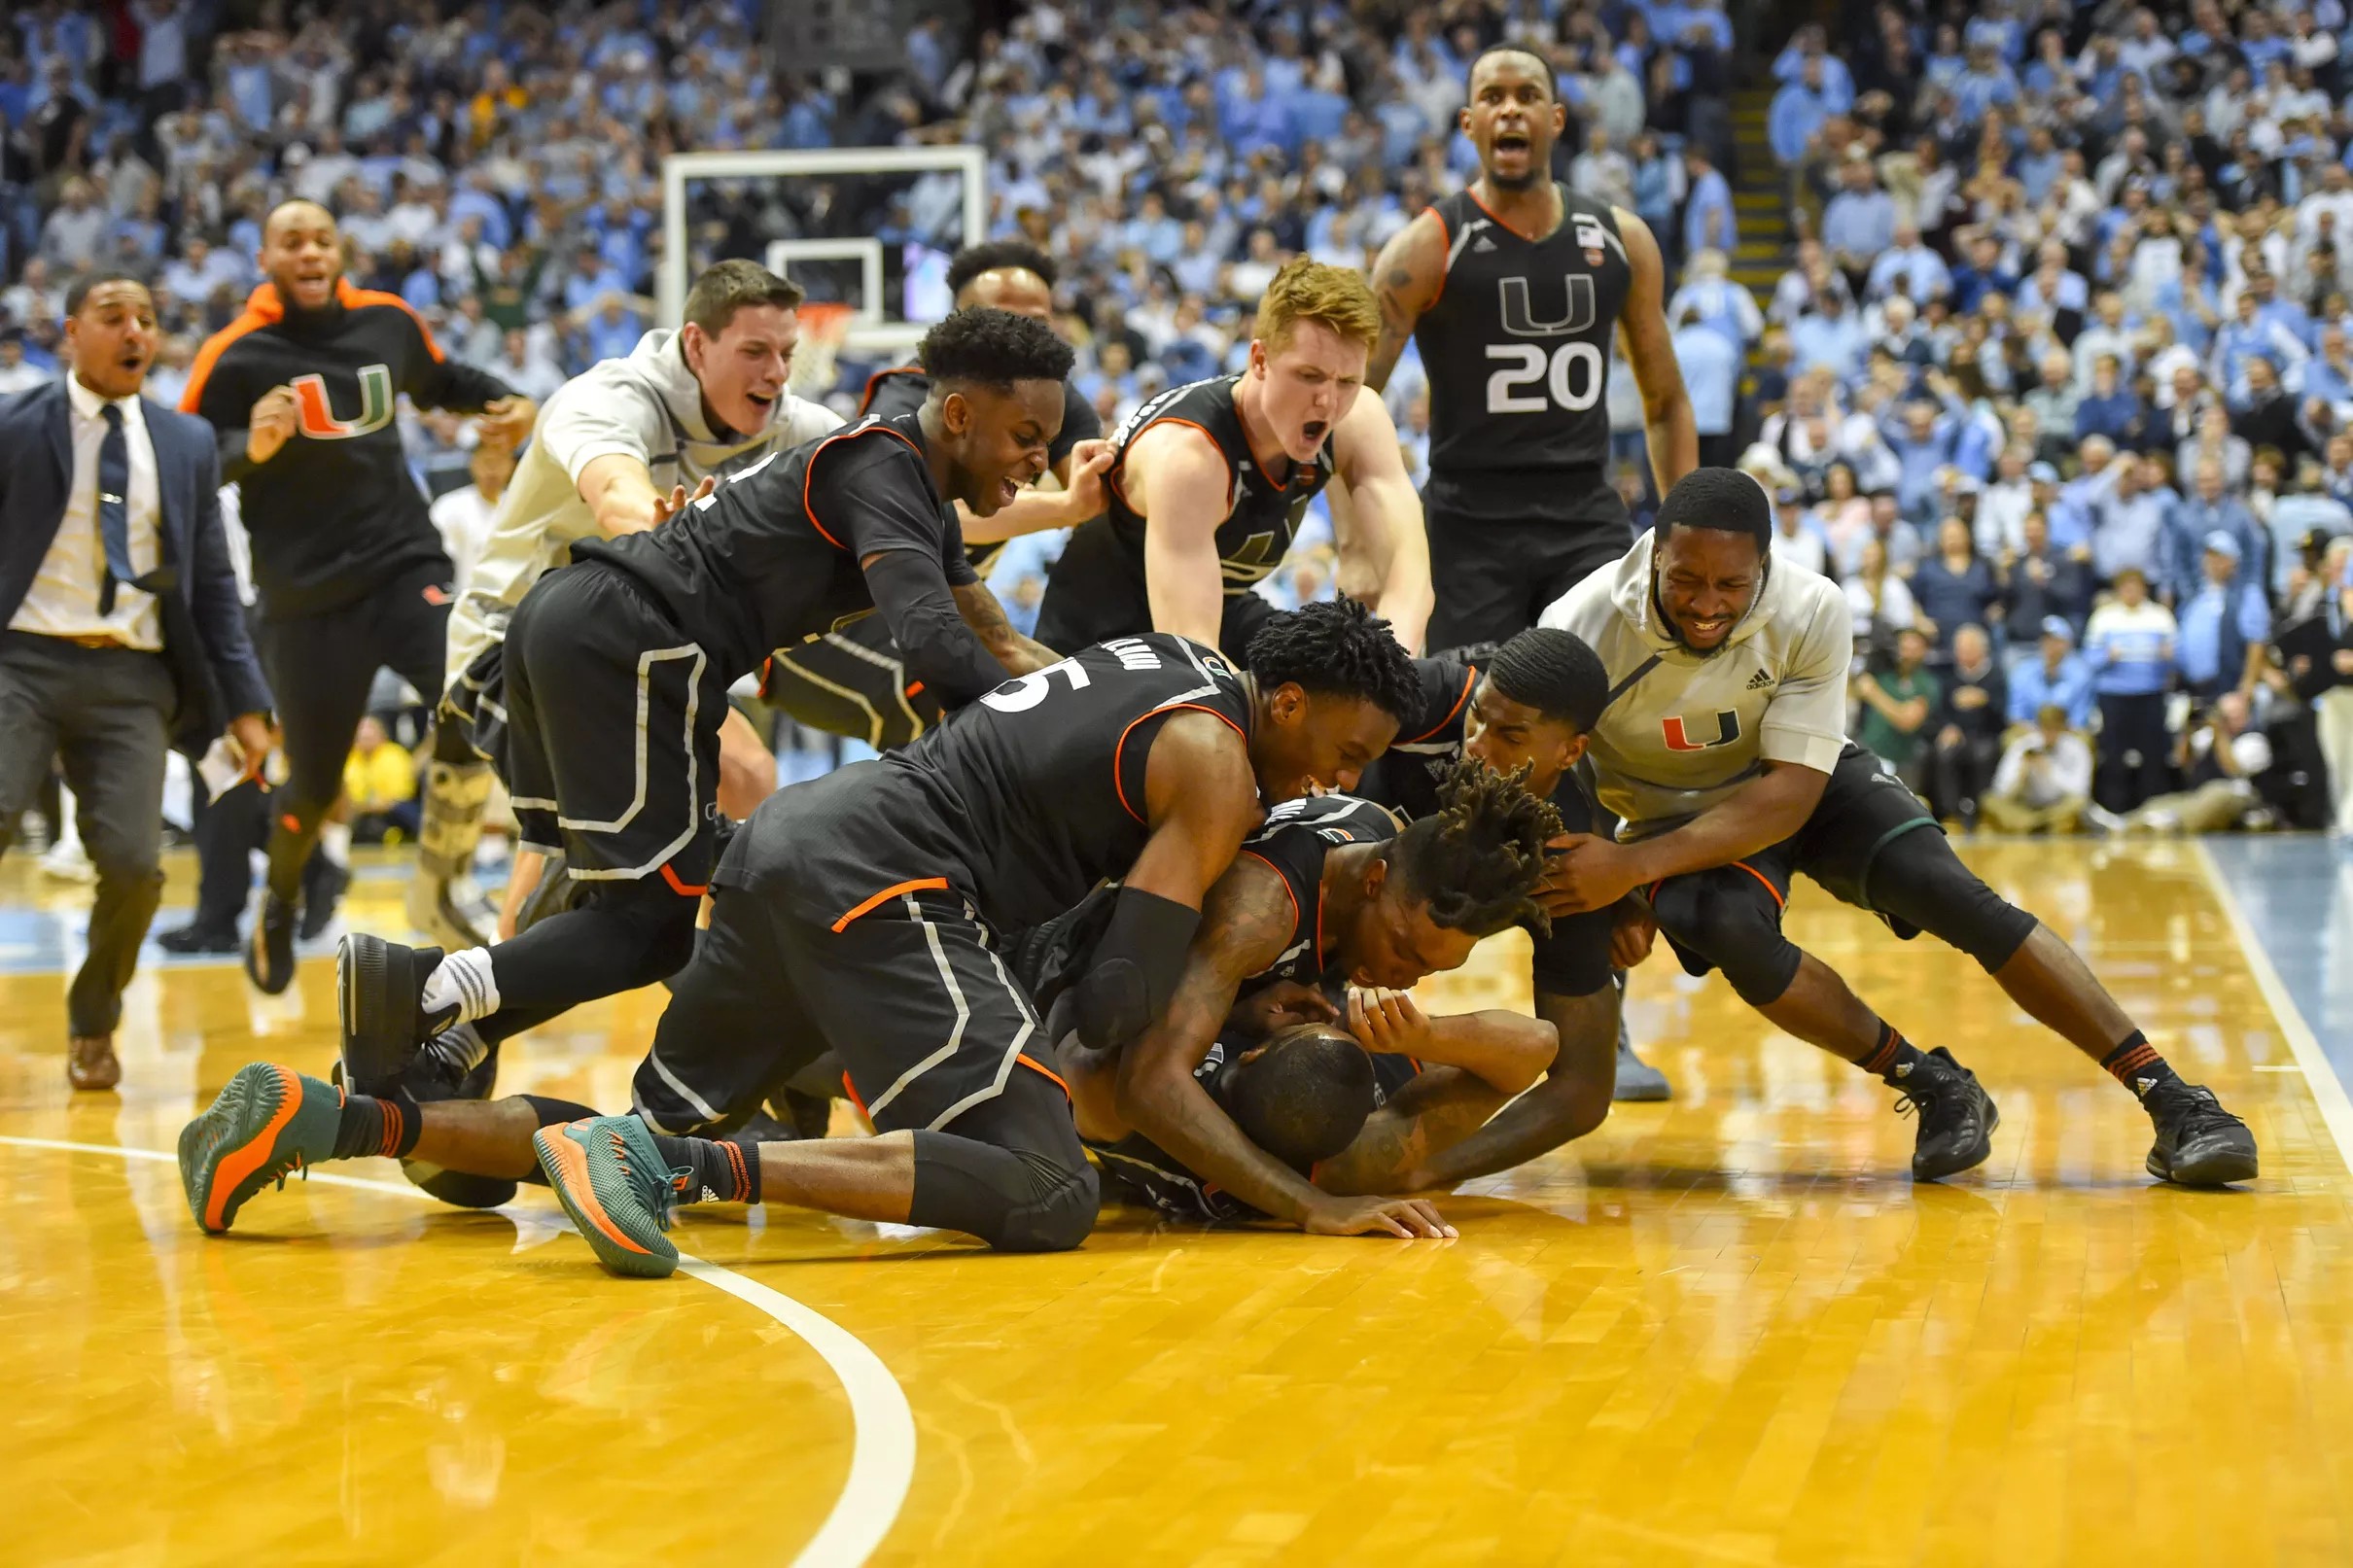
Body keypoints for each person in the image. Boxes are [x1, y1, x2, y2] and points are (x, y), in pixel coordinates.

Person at [179, 604, 1441, 1263]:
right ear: (1285, 698)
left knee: (627, 1138)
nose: (1330, 777)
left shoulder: (1167, 659)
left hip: (793, 845)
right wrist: (1087, 1093)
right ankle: (683, 1171)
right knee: (1048, 1181)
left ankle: (333, 1117)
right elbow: (1116, 1001)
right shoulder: (1219, 767)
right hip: (887, 882)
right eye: (1343, 749)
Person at [332, 306, 1070, 1111]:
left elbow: (992, 640)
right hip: (634, 638)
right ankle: (417, 984)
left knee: (623, 894)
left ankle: (460, 1036)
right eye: (1028, 436)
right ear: (959, 414)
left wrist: (1099, 689)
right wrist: (1041, 741)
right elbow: (930, 641)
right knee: (652, 926)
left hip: (575, 622)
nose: (1040, 461)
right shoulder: (885, 463)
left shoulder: (911, 489)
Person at [1537, 469, 2257, 1188]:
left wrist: (1632, 869)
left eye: (1731, 586)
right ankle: (1934, 1082)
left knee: (1951, 892)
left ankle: (2172, 1096)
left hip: (1800, 779)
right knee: (1732, 929)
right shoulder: (1581, 624)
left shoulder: (1811, 605)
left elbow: (1789, 795)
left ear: (1764, 565)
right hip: (1667, 812)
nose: (1705, 605)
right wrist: (1613, 886)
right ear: (1655, 552)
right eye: (1686, 579)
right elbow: (1550, 767)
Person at [409, 261, 836, 950]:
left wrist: (1055, 506)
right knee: (579, 885)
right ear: (697, 345)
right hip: (513, 648)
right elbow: (618, 498)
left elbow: (898, 491)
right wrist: (675, 526)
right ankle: (466, 1015)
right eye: (755, 352)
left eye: (787, 354)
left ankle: (744, 994)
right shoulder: (607, 396)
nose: (778, 373)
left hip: (643, 660)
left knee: (750, 775)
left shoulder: (792, 424)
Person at [181, 199, 537, 993]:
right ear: (266, 259)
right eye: (291, 242)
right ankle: (278, 900)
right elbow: (185, 461)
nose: (309, 252)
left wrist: (502, 400)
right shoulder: (234, 355)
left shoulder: (388, 322)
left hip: (404, 562)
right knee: (312, 787)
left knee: (478, 688)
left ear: (341, 251)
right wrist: (250, 445)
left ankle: (471, 874)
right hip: (305, 601)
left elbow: (440, 379)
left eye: (322, 239)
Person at [1061, 768, 1570, 1224]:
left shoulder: (1377, 846)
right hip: (1079, 965)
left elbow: (1115, 1073)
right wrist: (1314, 1205)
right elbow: (1537, 1043)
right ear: (1373, 881)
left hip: (1143, 993)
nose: (1406, 978)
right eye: (1403, 949)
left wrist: (1235, 1014)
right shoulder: (1259, 911)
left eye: (1434, 968)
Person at [0, 273, 272, 1091]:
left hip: (134, 675)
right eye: (114, 318)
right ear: (71, 332)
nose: (135, 333)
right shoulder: (15, 426)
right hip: (24, 660)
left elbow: (216, 586)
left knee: (132, 866)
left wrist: (249, 705)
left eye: (147, 321)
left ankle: (93, 1019)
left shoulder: (186, 442)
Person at [1366, 43, 1696, 650]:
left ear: (1558, 119)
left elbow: (1666, 400)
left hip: (1584, 513)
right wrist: (1359, 540)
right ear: (1468, 124)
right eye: (1493, 97)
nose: (1511, 111)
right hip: (1465, 522)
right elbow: (1351, 402)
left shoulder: (1622, 239)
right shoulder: (1425, 248)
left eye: (1528, 97)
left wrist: (1685, 530)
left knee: (1608, 711)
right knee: (1460, 725)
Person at [760, 240, 1108, 750]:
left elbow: (1104, 499)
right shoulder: (908, 398)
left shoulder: (1054, 400)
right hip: (817, 628)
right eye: (999, 318)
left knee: (1043, 688)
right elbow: (950, 517)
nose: (1020, 334)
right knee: (974, 713)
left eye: (1035, 318)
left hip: (936, 600)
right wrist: (1066, 507)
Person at [1034, 260, 1432, 662]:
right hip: (1100, 631)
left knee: (1375, 678)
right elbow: (1192, 661)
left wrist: (1388, 672)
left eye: (1347, 382)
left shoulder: (1359, 417)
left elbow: (1410, 574)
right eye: (1309, 376)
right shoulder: (1191, 456)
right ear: (1259, 360)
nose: (1328, 402)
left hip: (1219, 605)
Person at [2087, 692, 2273, 834]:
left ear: (2247, 715)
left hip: (2237, 795)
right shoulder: (2208, 737)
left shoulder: (2254, 741)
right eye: (2226, 715)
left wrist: (2219, 733)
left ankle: (2168, 824)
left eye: (2235, 715)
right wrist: (2187, 731)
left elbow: (2232, 769)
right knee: (2159, 803)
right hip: (2201, 794)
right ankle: (2121, 825)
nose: (2229, 720)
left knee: (2214, 795)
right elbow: (2182, 763)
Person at [2084, 567, 2177, 812]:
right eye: (2126, 587)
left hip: (2151, 694)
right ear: (2118, 591)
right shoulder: (2104, 617)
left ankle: (2154, 807)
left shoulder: (2160, 616)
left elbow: (2177, 658)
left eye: (2136, 587)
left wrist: (2168, 657)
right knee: (2114, 755)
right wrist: (2107, 656)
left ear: (2144, 589)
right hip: (2114, 696)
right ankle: (2116, 808)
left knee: (2154, 754)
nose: (2131, 592)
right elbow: (2090, 658)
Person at [1929, 623, 2007, 826]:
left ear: (1983, 650)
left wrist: (1985, 701)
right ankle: (1951, 812)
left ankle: (1982, 812)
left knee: (1983, 754)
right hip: (1958, 734)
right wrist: (1948, 727)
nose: (1964, 653)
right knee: (1944, 752)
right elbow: (1940, 711)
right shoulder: (1949, 678)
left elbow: (2003, 715)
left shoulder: (1996, 676)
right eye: (1960, 649)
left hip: (1986, 734)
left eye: (1969, 648)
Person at [1980, 705, 2094, 834]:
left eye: (2055, 728)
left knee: (2079, 804)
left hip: (2059, 807)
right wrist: (2020, 777)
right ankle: (2035, 824)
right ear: (2038, 727)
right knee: (1989, 800)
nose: (2049, 733)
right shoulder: (2023, 746)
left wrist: (2050, 771)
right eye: (2046, 727)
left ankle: (2035, 825)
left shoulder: (2077, 748)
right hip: (2025, 808)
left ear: (2064, 728)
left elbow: (2081, 791)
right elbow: (2000, 791)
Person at [1853, 625, 1940, 792]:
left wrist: (1872, 692)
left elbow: (1908, 721)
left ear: (1925, 651)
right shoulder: (1883, 673)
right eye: (1904, 644)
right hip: (1867, 753)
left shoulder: (1926, 683)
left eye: (1914, 646)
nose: (1907, 650)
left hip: (1902, 762)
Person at [343, 714, 417, 843]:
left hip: (390, 808)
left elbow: (401, 794)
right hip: (357, 811)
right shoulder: (349, 758)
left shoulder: (395, 755)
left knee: (407, 810)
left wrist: (371, 804)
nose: (365, 736)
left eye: (370, 732)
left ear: (382, 736)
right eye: (361, 734)